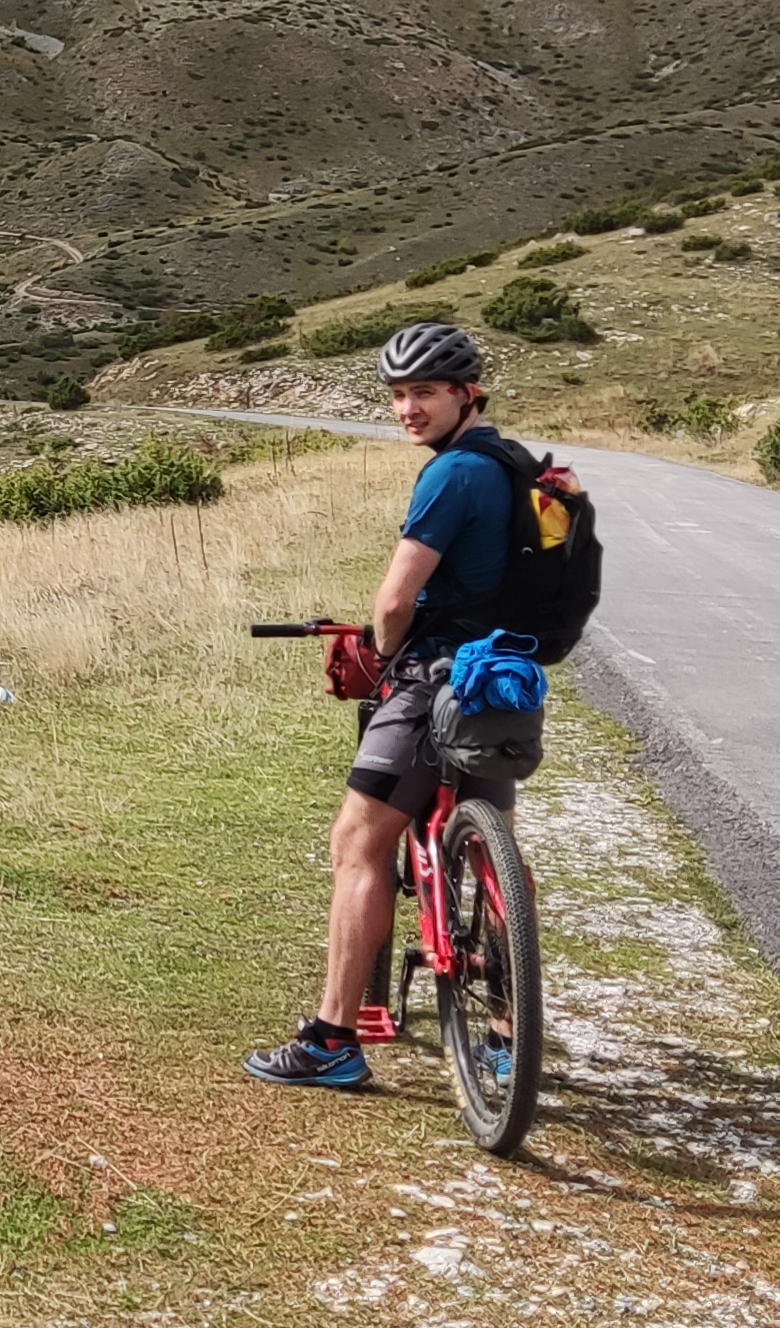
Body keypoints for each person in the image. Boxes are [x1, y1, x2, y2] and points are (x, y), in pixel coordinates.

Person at [245, 321, 522, 1088]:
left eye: (425, 392)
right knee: (500, 858)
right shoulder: (519, 466)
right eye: (398, 395)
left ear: (467, 393)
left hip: (436, 678)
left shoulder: (452, 473)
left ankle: (331, 1040)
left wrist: (386, 651)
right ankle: (507, 1030)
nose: (407, 408)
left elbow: (396, 599)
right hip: (506, 678)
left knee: (358, 845)